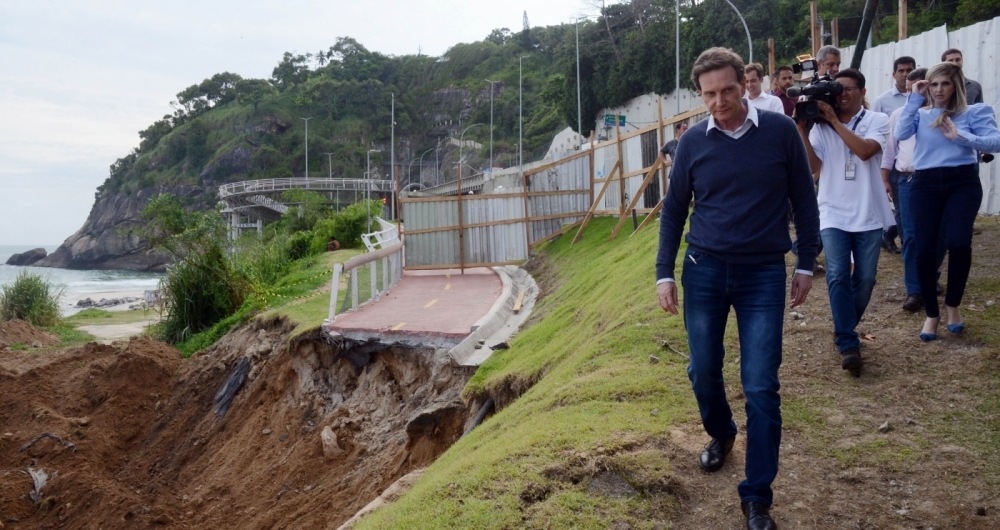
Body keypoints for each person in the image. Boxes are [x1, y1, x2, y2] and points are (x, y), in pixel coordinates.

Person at [657, 47, 819, 530]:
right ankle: (722, 433)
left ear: (744, 85)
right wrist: (664, 272)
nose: (721, 101)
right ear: (700, 94)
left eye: (729, 89)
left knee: (761, 387)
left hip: (763, 274)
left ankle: (756, 497)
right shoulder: (691, 144)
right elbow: (673, 210)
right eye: (710, 94)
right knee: (702, 371)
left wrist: (806, 262)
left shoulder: (779, 132)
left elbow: (803, 199)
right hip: (703, 270)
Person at [798, 68, 893, 377]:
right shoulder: (820, 127)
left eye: (849, 89)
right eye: (838, 90)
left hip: (869, 213)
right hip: (832, 211)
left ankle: (843, 328)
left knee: (865, 280)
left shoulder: (877, 120)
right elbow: (813, 166)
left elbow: (866, 152)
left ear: (863, 92)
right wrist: (802, 127)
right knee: (838, 275)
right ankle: (848, 342)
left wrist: (835, 121)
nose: (843, 94)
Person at [895, 62, 1000, 340]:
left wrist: (961, 136)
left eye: (945, 83)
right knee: (924, 247)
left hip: (961, 181)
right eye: (934, 83)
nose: (939, 90)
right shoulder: (920, 112)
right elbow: (900, 134)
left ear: (956, 86)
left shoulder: (974, 111)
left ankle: (952, 305)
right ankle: (932, 313)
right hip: (925, 183)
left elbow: (995, 141)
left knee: (958, 241)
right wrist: (914, 97)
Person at [873, 56, 916, 254]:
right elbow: (883, 139)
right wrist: (883, 173)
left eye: (909, 70)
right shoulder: (883, 101)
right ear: (894, 74)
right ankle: (905, 244)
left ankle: (889, 235)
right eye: (901, 70)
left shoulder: (927, 100)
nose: (905, 74)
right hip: (896, 166)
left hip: (920, 167)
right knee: (902, 211)